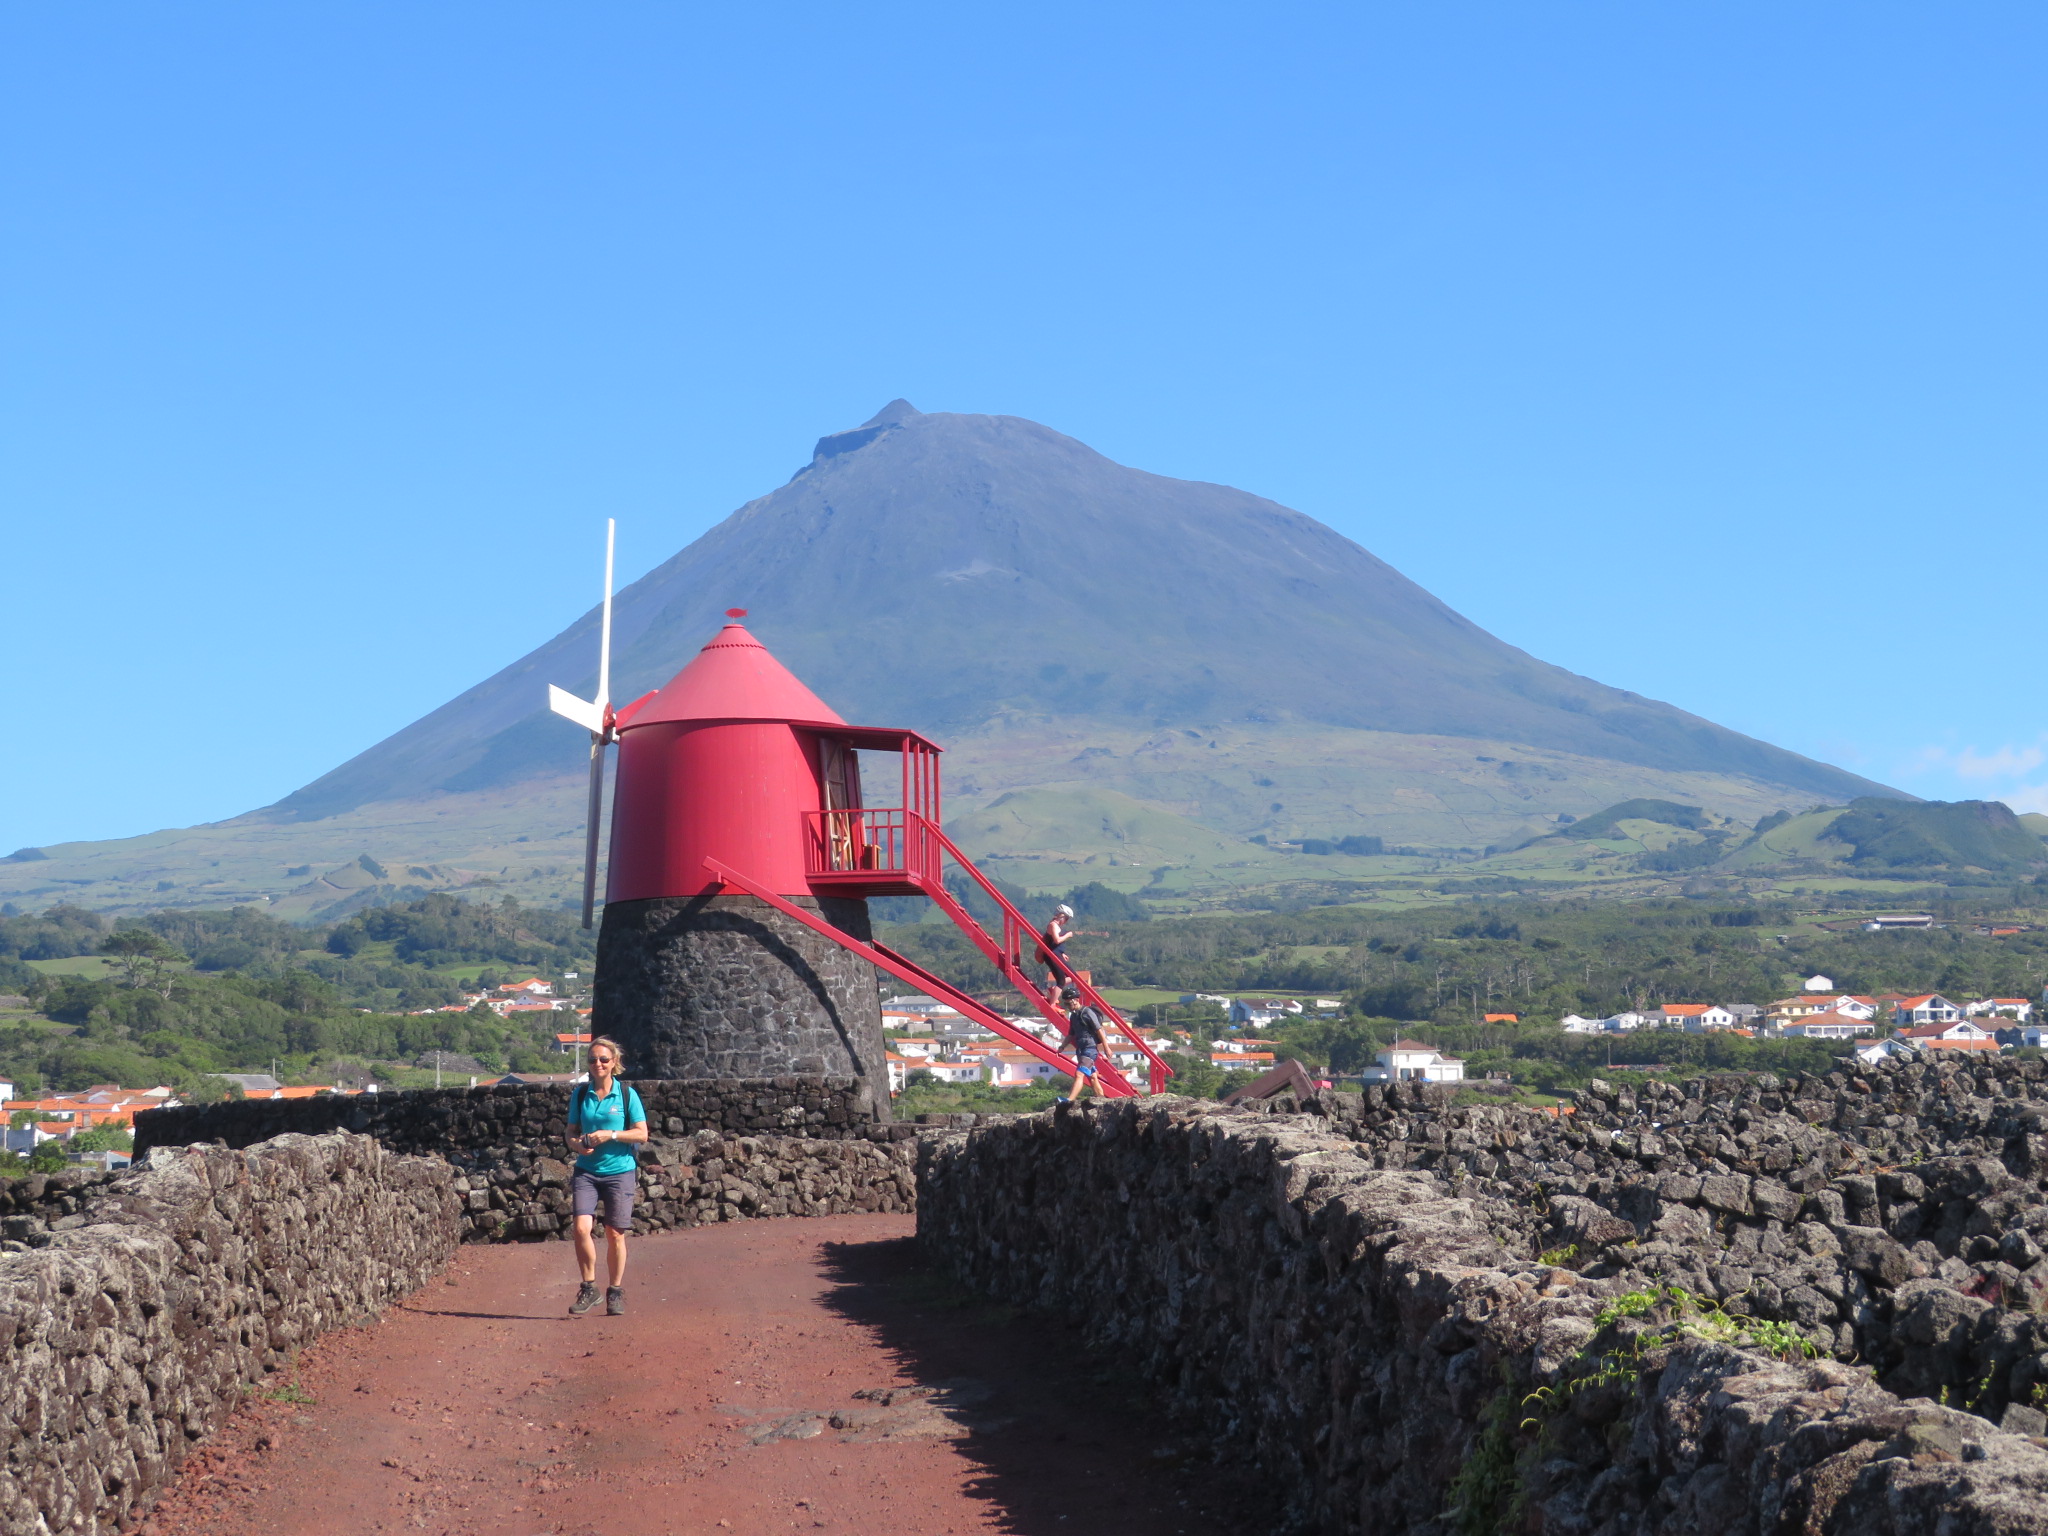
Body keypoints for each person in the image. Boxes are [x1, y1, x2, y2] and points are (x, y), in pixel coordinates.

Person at [566, 1036, 648, 1316]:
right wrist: (576, 1144)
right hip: (587, 1170)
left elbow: (642, 1133)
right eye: (592, 1059)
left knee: (615, 1234)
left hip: (619, 1170)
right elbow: (570, 1131)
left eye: (603, 1059)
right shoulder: (580, 1094)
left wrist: (610, 1134)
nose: (597, 1064)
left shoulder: (627, 1095)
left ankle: (615, 1291)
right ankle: (589, 1288)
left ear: (614, 1062)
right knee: (580, 1229)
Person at [1056, 985, 1106, 1107]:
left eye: (1069, 1004)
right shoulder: (1073, 1016)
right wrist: (1062, 1047)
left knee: (1079, 1074)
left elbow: (1099, 1029)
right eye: (1066, 1004)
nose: (1068, 1007)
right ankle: (1102, 1100)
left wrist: (1106, 1047)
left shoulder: (1087, 1012)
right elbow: (1071, 1034)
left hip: (1090, 1049)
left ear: (1076, 1000)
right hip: (1081, 1049)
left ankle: (1070, 1100)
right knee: (1093, 1077)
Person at [1039, 903, 1076, 993]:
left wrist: (1062, 953)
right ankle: (1054, 996)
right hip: (1053, 956)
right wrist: (1067, 935)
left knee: (1072, 977)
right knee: (1063, 980)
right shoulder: (1053, 925)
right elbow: (1056, 940)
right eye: (1066, 918)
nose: (1066, 921)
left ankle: (1054, 990)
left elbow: (1052, 943)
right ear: (1061, 916)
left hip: (1057, 954)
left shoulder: (1056, 926)